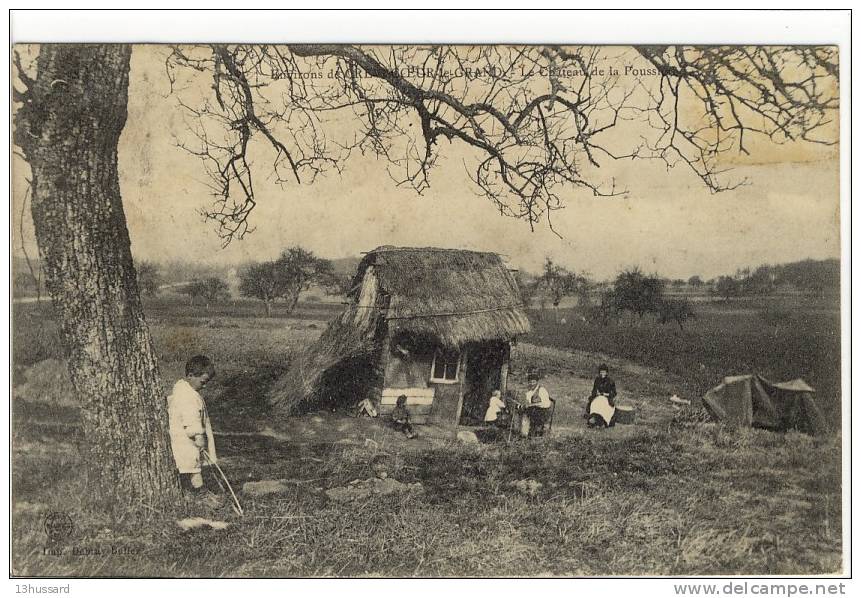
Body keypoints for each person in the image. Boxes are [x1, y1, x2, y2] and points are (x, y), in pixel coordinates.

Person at [168, 355, 217, 492]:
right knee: (193, 466)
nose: (205, 385)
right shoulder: (188, 396)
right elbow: (191, 418)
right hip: (187, 440)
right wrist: (198, 436)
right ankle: (199, 491)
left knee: (188, 466)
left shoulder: (185, 391)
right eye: (203, 382)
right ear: (190, 376)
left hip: (182, 439)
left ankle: (188, 489)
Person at [520, 373, 553, 437]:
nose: (532, 384)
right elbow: (529, 403)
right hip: (533, 412)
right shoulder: (529, 392)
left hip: (543, 412)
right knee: (521, 410)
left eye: (533, 382)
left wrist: (533, 405)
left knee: (528, 412)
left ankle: (528, 432)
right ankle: (524, 432)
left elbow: (546, 404)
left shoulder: (541, 390)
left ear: (537, 382)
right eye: (530, 382)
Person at [585, 363, 617, 428]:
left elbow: (614, 393)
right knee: (595, 403)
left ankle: (602, 420)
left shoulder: (610, 381)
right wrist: (596, 393)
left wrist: (606, 394)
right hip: (598, 396)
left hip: (607, 398)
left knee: (604, 406)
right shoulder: (597, 380)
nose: (602, 373)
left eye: (604, 372)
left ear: (607, 373)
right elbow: (594, 390)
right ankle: (594, 418)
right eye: (601, 372)